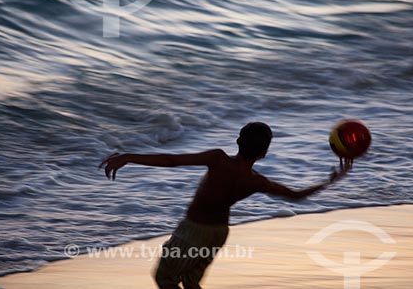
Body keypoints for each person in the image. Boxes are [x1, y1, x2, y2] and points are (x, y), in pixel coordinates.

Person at [99, 122, 350, 289]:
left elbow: (172, 160)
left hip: (193, 232)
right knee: (190, 282)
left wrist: (129, 157)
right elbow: (296, 196)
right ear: (263, 154)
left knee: (164, 278)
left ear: (238, 140)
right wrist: (331, 181)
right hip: (219, 233)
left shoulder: (217, 159)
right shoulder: (255, 181)